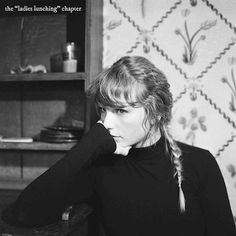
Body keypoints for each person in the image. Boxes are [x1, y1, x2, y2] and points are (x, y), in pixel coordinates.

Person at [2, 56, 236, 236]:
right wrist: (89, 144)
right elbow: (21, 215)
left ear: (155, 112)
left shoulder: (199, 163)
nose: (106, 124)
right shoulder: (101, 167)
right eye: (103, 110)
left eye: (121, 111)